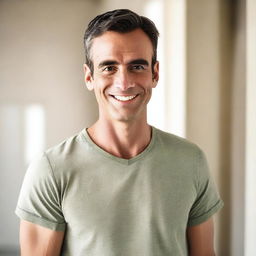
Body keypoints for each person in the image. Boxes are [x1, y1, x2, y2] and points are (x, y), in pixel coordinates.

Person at [15, 9, 223, 256]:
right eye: (109, 67)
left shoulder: (191, 161)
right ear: (89, 76)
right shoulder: (51, 169)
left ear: (154, 74)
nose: (124, 83)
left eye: (136, 66)